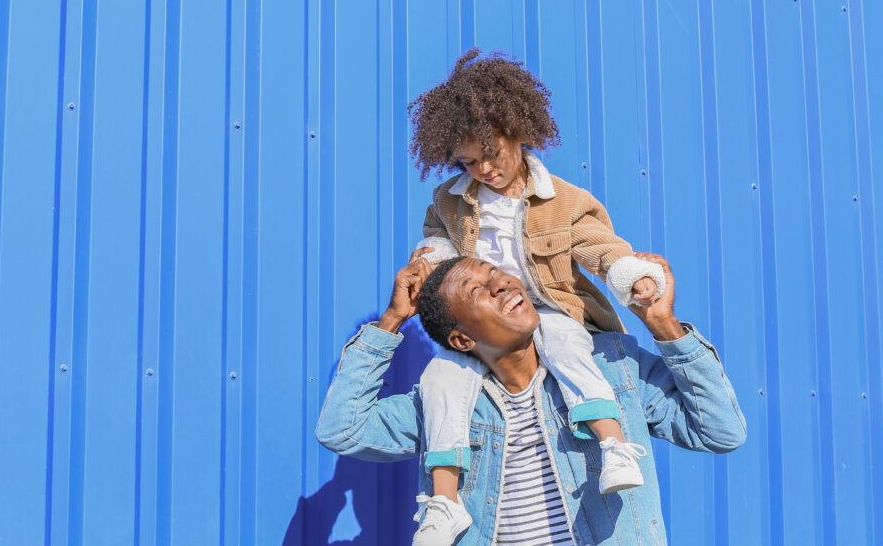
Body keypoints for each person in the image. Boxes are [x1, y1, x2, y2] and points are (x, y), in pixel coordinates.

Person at [406, 49, 665, 543]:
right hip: (487, 323)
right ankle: (445, 503)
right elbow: (437, 244)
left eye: (491, 153)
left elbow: (598, 246)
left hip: (548, 311)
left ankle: (612, 446)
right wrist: (425, 265)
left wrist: (631, 275)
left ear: (518, 133)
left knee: (568, 345)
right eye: (467, 161)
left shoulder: (563, 200)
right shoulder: (448, 200)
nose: (482, 168)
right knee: (441, 377)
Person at [316, 249, 745, 545]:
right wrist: (391, 321)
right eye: (478, 290)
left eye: (494, 272)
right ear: (462, 339)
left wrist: (664, 326)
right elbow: (342, 429)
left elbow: (720, 432)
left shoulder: (610, 367)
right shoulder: (445, 401)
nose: (502, 283)